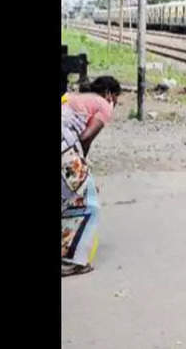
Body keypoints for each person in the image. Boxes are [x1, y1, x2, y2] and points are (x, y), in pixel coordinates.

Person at [61, 75, 122, 276]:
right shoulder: (105, 105)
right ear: (109, 94)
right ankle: (71, 260)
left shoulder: (76, 98)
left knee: (67, 197)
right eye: (116, 96)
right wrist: (84, 173)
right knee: (87, 202)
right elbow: (85, 138)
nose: (116, 102)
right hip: (64, 149)